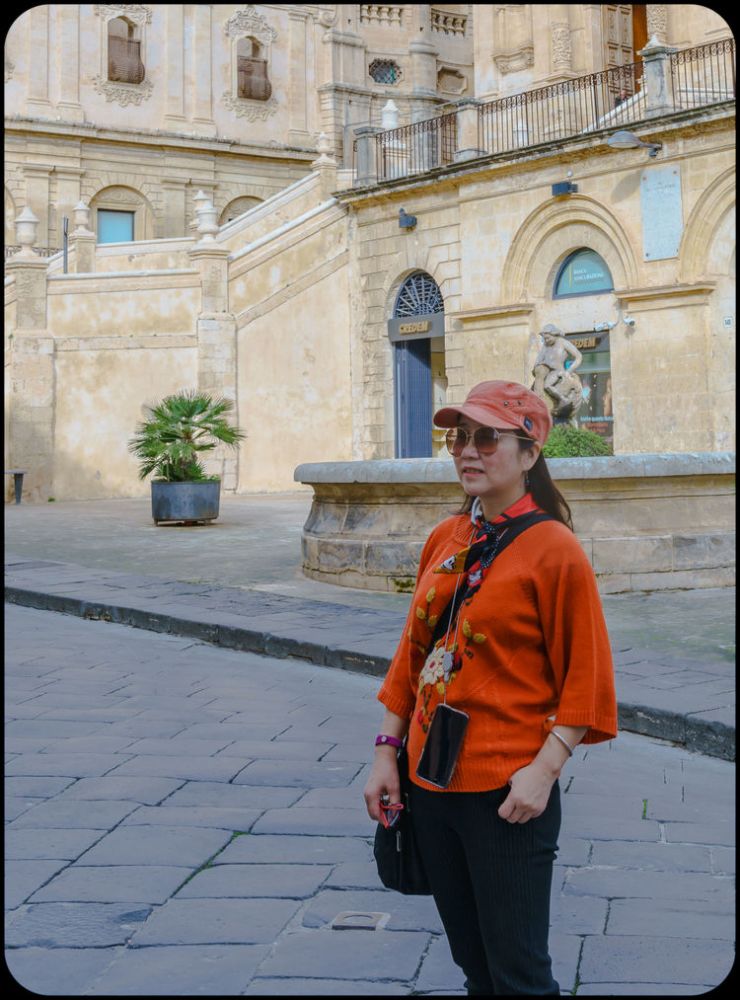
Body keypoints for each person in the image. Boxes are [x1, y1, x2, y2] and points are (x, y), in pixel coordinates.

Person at [364, 380, 618, 996]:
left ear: (529, 453)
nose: (467, 451)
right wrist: (386, 753)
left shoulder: (555, 550)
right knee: (473, 966)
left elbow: (587, 676)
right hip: (429, 782)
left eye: (486, 438)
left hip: (506, 793)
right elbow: (412, 654)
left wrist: (543, 772)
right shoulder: (446, 537)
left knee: (519, 975)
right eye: (460, 438)